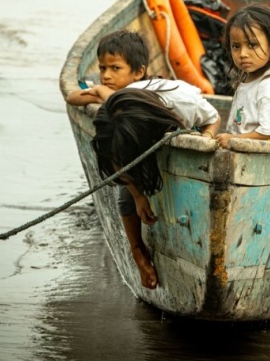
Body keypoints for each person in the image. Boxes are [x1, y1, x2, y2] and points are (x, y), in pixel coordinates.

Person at [70, 30, 220, 289]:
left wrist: (206, 137)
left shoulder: (182, 101)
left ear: (138, 71)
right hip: (138, 130)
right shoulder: (116, 107)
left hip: (170, 128)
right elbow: (74, 98)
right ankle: (137, 250)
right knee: (126, 192)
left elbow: (213, 118)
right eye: (102, 68)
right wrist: (138, 196)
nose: (106, 75)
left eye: (115, 68)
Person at [216, 4, 270, 149]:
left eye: (252, 45)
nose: (243, 54)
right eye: (236, 46)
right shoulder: (249, 78)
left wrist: (233, 139)